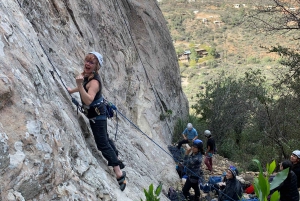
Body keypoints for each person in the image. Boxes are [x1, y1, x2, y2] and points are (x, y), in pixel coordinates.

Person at [67, 52, 126, 191]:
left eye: (91, 62)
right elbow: (84, 87)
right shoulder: (88, 77)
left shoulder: (94, 81)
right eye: (87, 60)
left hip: (97, 116)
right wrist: (73, 90)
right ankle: (116, 157)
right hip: (97, 114)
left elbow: (88, 99)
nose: (87, 64)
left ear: (96, 66)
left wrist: (78, 86)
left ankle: (118, 172)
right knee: (105, 138)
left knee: (102, 144)